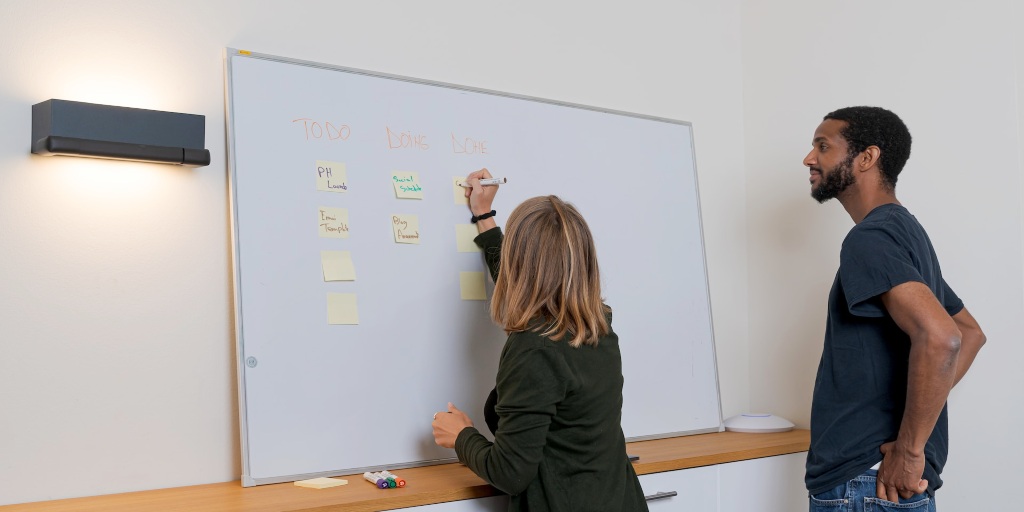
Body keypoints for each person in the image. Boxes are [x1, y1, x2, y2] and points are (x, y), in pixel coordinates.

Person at [431, 168, 649, 511]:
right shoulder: (597, 326)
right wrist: (485, 218)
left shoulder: (535, 350)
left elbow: (511, 472)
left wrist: (461, 436)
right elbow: (523, 280)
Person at [802, 106, 986, 511]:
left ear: (867, 158)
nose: (809, 158)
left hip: (867, 479)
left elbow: (944, 336)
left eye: (822, 146)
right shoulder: (905, 232)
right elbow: (968, 331)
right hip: (882, 479)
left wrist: (908, 448)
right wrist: (911, 418)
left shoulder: (869, 239)